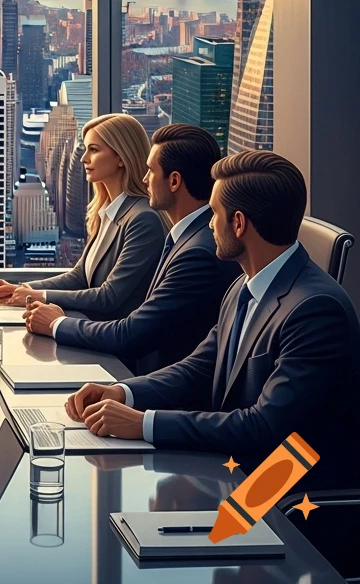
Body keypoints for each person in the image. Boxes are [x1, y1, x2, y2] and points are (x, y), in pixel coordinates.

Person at [66, 150, 360, 490]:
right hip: (231, 473)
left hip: (280, 497)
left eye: (214, 214)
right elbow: (200, 367)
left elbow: (263, 427)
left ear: (238, 223)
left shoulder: (316, 310)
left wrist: (145, 424)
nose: (208, 224)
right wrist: (123, 393)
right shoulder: (243, 285)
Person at [23, 124, 241, 373]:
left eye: (151, 171)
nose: (145, 178)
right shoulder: (185, 238)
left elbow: (132, 334)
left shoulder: (196, 252)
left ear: (174, 181)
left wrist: (57, 324)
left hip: (159, 389)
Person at [0, 113, 165, 320]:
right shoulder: (107, 210)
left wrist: (39, 296)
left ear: (121, 158)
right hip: (88, 328)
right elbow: (80, 276)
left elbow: (109, 296)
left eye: (94, 150)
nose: (83, 158)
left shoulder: (143, 220)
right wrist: (21, 289)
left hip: (111, 344)